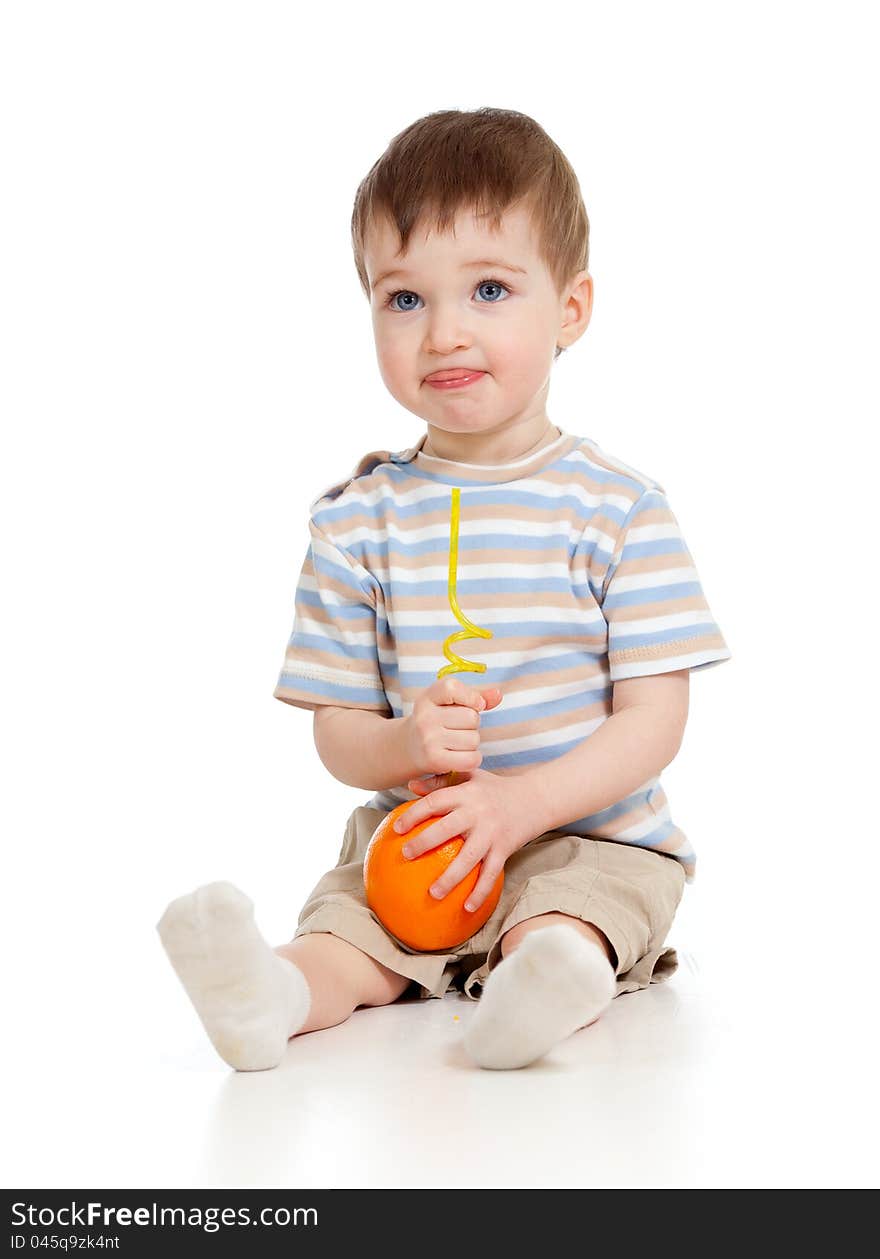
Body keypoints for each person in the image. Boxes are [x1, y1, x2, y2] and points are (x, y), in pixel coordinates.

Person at [157, 106, 731, 1072]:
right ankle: (273, 993)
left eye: (491, 288)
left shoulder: (620, 509)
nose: (444, 332)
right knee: (351, 925)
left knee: (572, 913)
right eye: (405, 300)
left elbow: (653, 721)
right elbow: (340, 730)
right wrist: (401, 742)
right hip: (417, 842)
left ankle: (539, 986)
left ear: (572, 309)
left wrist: (521, 806)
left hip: (588, 836)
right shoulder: (353, 521)